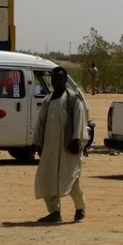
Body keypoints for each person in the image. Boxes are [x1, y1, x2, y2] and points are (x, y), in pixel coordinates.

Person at [33, 67, 89, 223]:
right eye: (54, 79)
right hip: (50, 148)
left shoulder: (73, 100)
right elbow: (40, 123)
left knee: (70, 180)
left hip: (67, 148)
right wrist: (36, 142)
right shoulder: (47, 100)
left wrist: (76, 140)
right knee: (47, 179)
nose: (56, 82)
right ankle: (54, 212)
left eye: (59, 79)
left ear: (65, 80)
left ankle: (80, 207)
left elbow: (79, 121)